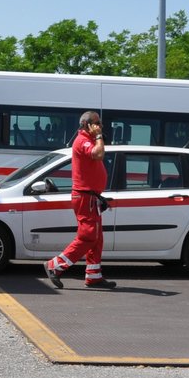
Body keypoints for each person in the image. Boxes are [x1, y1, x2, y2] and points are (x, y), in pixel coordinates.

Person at [45, 110, 117, 290]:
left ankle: (94, 276)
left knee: (97, 238)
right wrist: (99, 136)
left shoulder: (89, 139)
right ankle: (55, 265)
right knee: (88, 236)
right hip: (85, 197)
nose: (100, 126)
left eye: (100, 123)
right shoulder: (83, 140)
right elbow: (98, 154)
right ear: (87, 125)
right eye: (97, 123)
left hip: (91, 197)